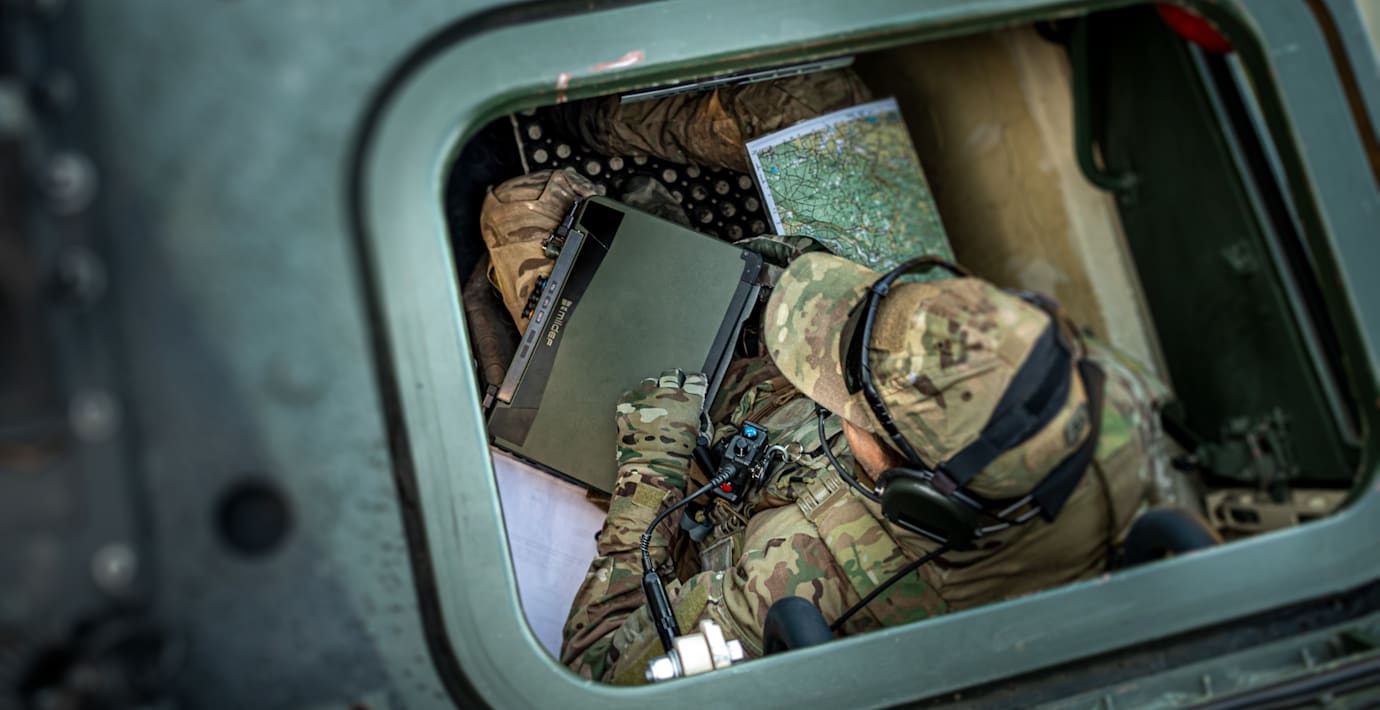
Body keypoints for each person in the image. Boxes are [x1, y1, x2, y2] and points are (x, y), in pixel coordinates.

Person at [560, 251, 1172, 684]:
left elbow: (592, 676)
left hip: (710, 492)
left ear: (912, 492)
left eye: (851, 406)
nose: (839, 408)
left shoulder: (796, 584)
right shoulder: (1111, 399)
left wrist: (651, 469)